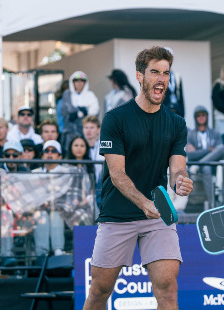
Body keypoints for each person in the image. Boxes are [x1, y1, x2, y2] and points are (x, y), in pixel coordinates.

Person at [83, 46, 193, 310]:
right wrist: (144, 203)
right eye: (154, 71)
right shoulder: (115, 119)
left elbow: (178, 167)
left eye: (166, 73)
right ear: (139, 76)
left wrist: (181, 180)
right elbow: (117, 174)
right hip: (118, 214)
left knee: (167, 288)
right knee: (99, 290)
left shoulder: (177, 123)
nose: (161, 79)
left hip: (158, 216)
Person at [32, 140, 67, 257]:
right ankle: (42, 253)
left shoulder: (67, 173)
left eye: (53, 151)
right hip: (39, 209)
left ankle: (58, 250)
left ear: (60, 156)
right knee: (41, 214)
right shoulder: (34, 173)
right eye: (46, 151)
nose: (49, 153)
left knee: (55, 213)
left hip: (61, 210)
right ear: (42, 156)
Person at [61, 71, 99, 152]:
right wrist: (83, 111)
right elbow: (65, 110)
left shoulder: (90, 95)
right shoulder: (67, 94)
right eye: (76, 80)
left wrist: (78, 113)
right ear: (72, 82)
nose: (79, 83)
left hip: (85, 132)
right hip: (70, 131)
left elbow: (95, 110)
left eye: (82, 80)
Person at [82, 116, 105, 208]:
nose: (88, 131)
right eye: (86, 128)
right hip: (85, 189)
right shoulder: (79, 145)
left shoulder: (103, 145)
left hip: (100, 187)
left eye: (92, 128)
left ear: (98, 130)